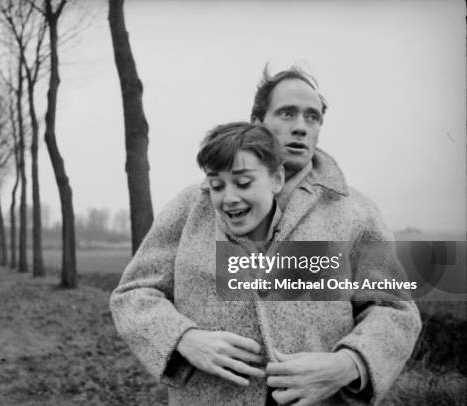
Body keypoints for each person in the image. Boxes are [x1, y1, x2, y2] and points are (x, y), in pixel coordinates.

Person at [110, 65, 422, 406]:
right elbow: (133, 293)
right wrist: (184, 338)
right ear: (257, 122)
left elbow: (395, 310)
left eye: (312, 117)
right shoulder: (193, 205)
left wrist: (349, 364)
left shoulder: (356, 213)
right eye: (287, 113)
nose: (301, 127)